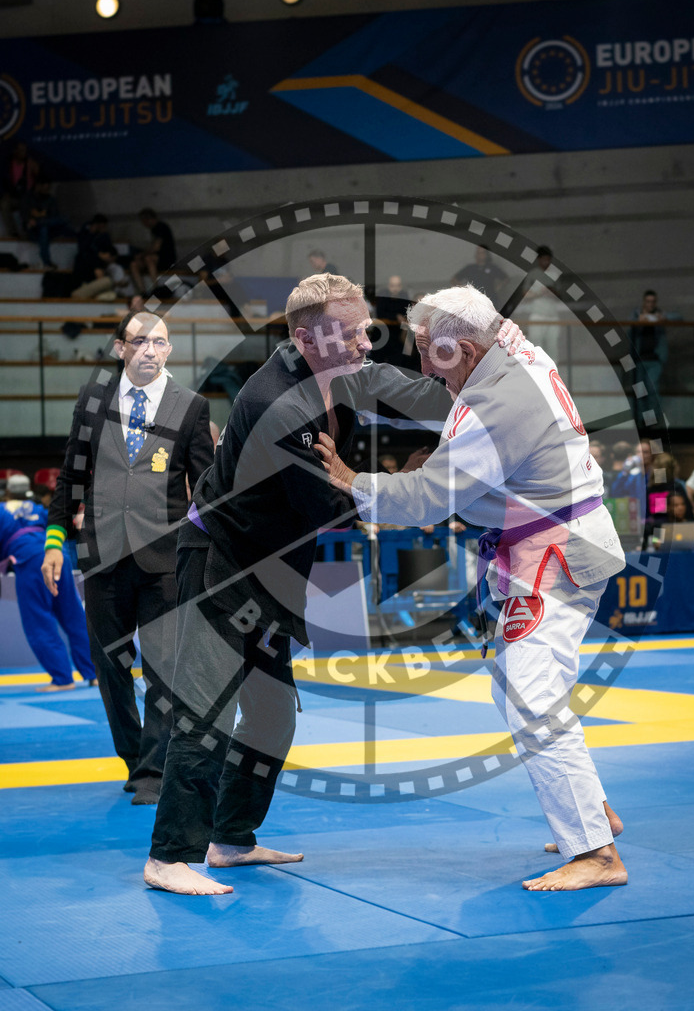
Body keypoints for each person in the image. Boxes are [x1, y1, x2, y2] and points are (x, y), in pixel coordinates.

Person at [143, 273, 525, 895]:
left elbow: (411, 395)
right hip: (219, 559)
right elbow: (328, 503)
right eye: (348, 332)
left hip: (274, 563)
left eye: (364, 326)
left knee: (270, 713)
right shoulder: (276, 404)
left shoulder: (341, 374)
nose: (365, 341)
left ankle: (230, 838)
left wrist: (492, 403)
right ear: (304, 338)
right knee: (206, 708)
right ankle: (167, 856)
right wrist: (407, 480)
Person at [318, 284, 628, 892]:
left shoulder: (494, 407)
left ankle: (597, 853)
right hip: (552, 540)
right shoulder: (512, 352)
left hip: (556, 555)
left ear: (460, 349)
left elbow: (429, 498)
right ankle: (594, 814)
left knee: (531, 695)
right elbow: (497, 323)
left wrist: (355, 481)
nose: (419, 358)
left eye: (427, 349)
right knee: (530, 693)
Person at [42, 311, 214, 804]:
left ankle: (153, 771)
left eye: (159, 342)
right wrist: (55, 539)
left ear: (169, 349)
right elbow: (71, 475)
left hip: (165, 556)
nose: (150, 351)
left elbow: (204, 486)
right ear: (121, 348)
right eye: (140, 342)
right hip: (101, 553)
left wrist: (207, 550)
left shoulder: (190, 406)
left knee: (162, 666)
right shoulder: (93, 401)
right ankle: (133, 753)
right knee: (109, 663)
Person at [0, 474, 97, 691]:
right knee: (73, 616)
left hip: (30, 561)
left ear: (5, 492)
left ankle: (63, 679)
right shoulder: (40, 510)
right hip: (57, 554)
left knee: (38, 620)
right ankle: (95, 674)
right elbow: (64, 527)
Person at [20, 179, 74, 270]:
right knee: (43, 229)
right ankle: (46, 262)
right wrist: (32, 220)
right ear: (38, 186)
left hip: (49, 229)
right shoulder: (28, 198)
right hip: (34, 232)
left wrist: (38, 220)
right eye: (44, 188)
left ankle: (39, 223)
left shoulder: (51, 199)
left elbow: (55, 217)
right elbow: (25, 216)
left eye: (48, 188)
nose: (46, 190)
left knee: (64, 220)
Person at [130, 209, 177, 292]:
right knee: (134, 265)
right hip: (157, 258)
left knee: (148, 259)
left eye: (143, 221)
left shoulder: (161, 227)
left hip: (166, 259)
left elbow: (156, 248)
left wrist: (142, 255)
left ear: (149, 219)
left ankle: (156, 288)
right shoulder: (153, 230)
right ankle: (142, 291)